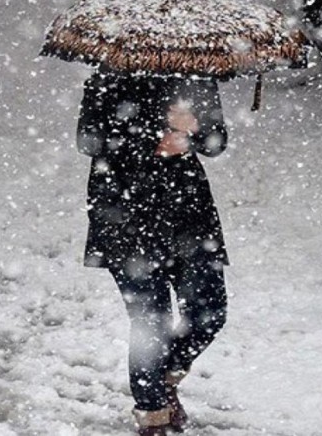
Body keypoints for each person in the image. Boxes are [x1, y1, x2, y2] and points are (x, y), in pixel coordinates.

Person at [76, 67, 229, 436]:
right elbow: (89, 141)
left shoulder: (195, 75)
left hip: (188, 215)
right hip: (126, 215)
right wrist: (153, 136)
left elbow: (217, 141)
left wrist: (194, 131)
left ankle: (161, 379)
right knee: (151, 322)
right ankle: (153, 415)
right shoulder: (107, 78)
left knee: (209, 311)